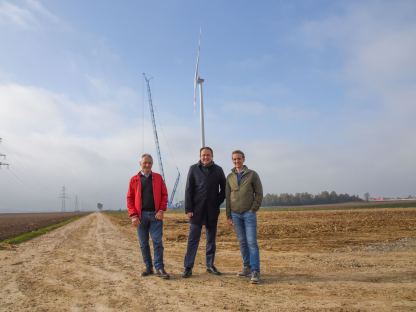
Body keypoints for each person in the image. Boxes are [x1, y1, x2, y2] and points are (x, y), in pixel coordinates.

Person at [182, 147, 226, 278]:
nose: (205, 157)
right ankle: (188, 267)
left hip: (212, 210)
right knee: (193, 239)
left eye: (208, 155)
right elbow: (188, 189)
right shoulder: (193, 169)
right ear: (200, 156)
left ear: (212, 156)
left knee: (211, 239)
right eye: (203, 155)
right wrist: (188, 209)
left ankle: (210, 265)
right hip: (196, 210)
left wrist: (216, 202)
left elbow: (224, 190)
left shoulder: (218, 170)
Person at [127, 153, 170, 279]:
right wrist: (133, 215)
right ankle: (148, 267)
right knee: (143, 243)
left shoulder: (158, 178)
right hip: (140, 217)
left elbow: (164, 195)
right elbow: (129, 199)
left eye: (149, 163)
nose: (147, 165)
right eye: (145, 163)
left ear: (152, 164)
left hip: (156, 216)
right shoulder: (134, 180)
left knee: (157, 242)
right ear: (140, 164)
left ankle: (159, 268)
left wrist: (161, 210)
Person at [226, 150, 263, 284]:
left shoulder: (252, 174)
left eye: (239, 158)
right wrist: (228, 215)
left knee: (251, 242)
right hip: (235, 214)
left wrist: (253, 209)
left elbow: (259, 193)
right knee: (242, 242)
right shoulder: (230, 177)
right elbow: (228, 197)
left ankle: (255, 271)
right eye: (234, 159)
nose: (237, 161)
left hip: (248, 213)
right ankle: (246, 267)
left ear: (244, 159)